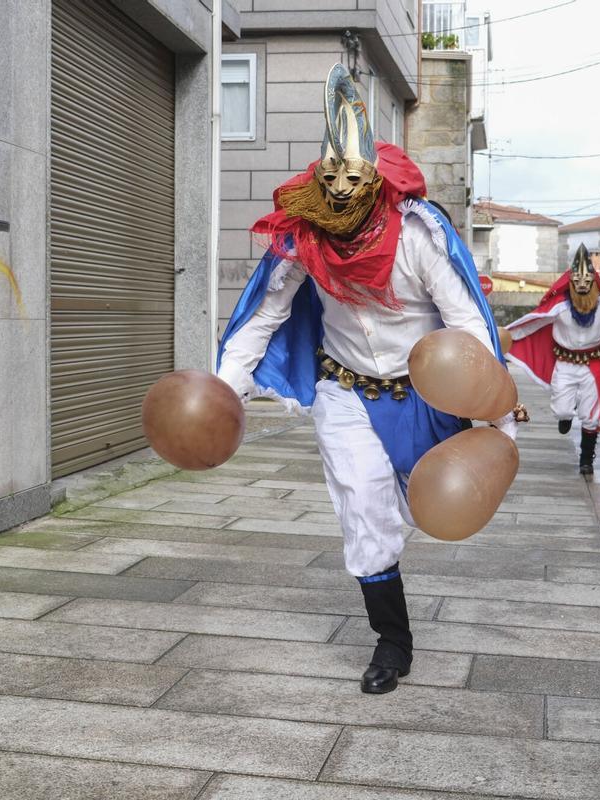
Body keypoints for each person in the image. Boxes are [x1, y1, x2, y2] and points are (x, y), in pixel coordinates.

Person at [216, 64, 517, 694]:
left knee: (422, 506)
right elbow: (264, 314)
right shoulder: (303, 238)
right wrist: (225, 390)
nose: (341, 200)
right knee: (363, 507)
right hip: (345, 389)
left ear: (374, 183)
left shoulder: (417, 234)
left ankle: (406, 532)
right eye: (331, 184)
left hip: (426, 395)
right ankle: (392, 640)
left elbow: (467, 319)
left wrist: (495, 410)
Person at [505, 244, 600, 475]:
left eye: (586, 282)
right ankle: (566, 416)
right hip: (565, 364)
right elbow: (533, 321)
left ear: (593, 282)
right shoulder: (559, 306)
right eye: (577, 282)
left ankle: (586, 459)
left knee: (591, 415)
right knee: (562, 411)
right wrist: (505, 336)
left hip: (592, 365)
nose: (582, 287)